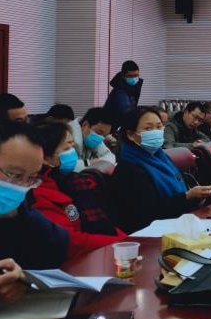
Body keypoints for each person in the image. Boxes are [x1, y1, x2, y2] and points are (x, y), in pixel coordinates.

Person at [107, 107, 211, 233]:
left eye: (159, 127)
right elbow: (147, 213)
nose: (156, 132)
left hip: (177, 223)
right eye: (148, 128)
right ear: (130, 134)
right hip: (149, 234)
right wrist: (187, 197)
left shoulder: (161, 158)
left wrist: (195, 196)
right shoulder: (128, 169)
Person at [32, 122, 126, 259]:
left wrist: (127, 240)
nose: (73, 153)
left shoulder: (78, 181)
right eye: (66, 148)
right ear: (46, 158)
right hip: (75, 259)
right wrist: (120, 243)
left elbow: (106, 223)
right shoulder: (40, 193)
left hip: (102, 251)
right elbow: (70, 239)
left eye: (72, 146)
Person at [0, 122, 69, 268]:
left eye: (31, 178)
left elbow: (59, 244)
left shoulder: (22, 212)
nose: (21, 186)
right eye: (15, 175)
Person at [69, 107, 116, 171]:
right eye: (100, 133)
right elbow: (67, 166)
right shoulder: (67, 137)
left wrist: (97, 162)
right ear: (85, 125)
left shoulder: (94, 137)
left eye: (104, 135)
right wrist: (90, 163)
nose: (101, 138)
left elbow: (111, 156)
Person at [103, 60, 143, 127]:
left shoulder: (132, 88)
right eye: (129, 76)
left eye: (136, 75)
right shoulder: (120, 90)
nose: (133, 79)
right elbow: (127, 112)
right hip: (112, 126)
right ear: (123, 76)